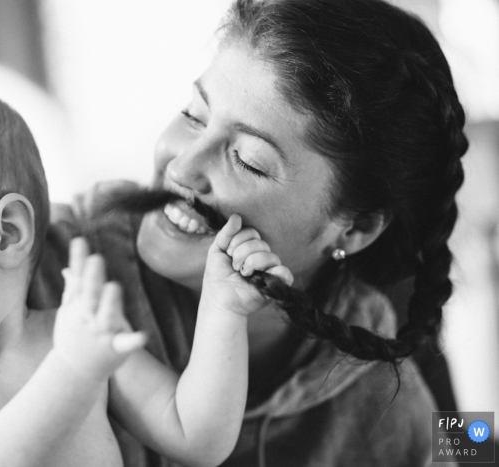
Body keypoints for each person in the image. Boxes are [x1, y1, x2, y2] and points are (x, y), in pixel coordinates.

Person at [25, 0, 468, 465]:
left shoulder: (389, 351)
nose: (181, 166)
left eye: (248, 160)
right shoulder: (43, 272)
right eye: (195, 114)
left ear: (356, 228)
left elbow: (472, 448)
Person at [0, 88, 293, 467]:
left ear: (6, 233)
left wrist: (222, 308)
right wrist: (73, 371)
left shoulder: (76, 333)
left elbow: (197, 437)